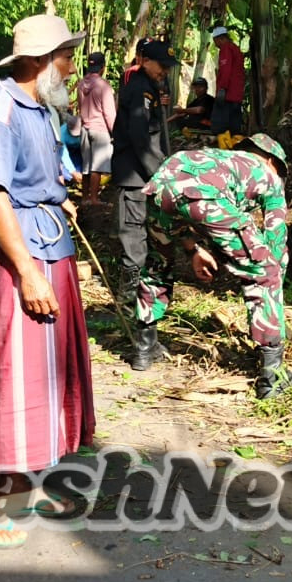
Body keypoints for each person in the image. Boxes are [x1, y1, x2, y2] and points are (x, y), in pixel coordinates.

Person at [0, 13, 95, 550]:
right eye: (66, 56)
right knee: (16, 371)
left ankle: (22, 485)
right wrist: (27, 274)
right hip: (21, 254)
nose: (71, 66)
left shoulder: (38, 106)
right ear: (40, 62)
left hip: (49, 242)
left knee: (49, 370)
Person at [138, 135, 292, 397]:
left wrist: (194, 250)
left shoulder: (221, 159)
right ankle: (272, 375)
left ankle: (145, 349)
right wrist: (273, 306)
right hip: (203, 195)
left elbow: (183, 201)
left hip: (160, 186)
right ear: (272, 161)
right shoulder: (268, 175)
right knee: (265, 272)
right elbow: (276, 240)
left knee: (158, 263)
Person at [112, 39, 178, 366]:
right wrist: (162, 174)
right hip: (135, 179)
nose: (164, 72)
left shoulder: (148, 90)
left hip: (145, 179)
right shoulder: (139, 90)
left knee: (150, 251)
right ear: (143, 60)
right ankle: (132, 331)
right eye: (160, 66)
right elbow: (140, 140)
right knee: (135, 252)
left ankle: (145, 334)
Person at [77, 51, 116, 206]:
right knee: (97, 167)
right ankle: (94, 199)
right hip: (100, 129)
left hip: (85, 128)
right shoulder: (103, 86)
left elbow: (80, 106)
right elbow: (109, 113)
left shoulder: (81, 84)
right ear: (102, 68)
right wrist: (115, 132)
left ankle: (84, 198)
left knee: (86, 166)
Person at [210, 26, 245, 135]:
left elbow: (225, 70)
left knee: (220, 126)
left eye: (215, 41)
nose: (215, 44)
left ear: (220, 38)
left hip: (228, 94)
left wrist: (222, 88)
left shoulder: (226, 49)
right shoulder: (235, 48)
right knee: (234, 126)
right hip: (237, 94)